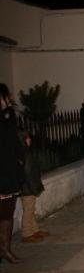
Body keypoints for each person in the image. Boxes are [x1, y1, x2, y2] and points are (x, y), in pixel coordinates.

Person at [0, 83, 25, 263]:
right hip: (3, 171)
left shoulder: (8, 117)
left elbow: (14, 143)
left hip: (8, 171)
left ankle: (5, 249)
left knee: (7, 214)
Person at [19, 130, 50, 242]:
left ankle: (34, 230)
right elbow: (28, 173)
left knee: (31, 209)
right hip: (27, 188)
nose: (30, 139)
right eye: (27, 138)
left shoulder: (25, 152)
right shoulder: (25, 153)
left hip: (28, 187)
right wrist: (34, 188)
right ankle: (26, 234)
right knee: (28, 210)